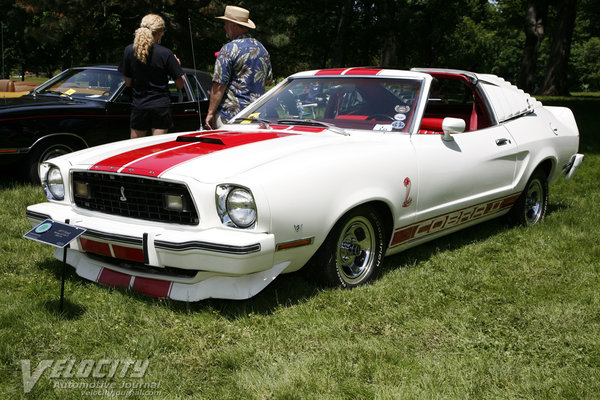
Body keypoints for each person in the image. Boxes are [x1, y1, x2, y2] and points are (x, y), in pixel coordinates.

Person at [205, 6, 272, 129]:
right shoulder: (263, 49)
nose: (224, 27)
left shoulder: (228, 49)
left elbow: (219, 85)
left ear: (233, 26)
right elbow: (268, 80)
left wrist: (210, 113)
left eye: (226, 24)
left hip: (231, 116)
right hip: (257, 115)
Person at [119, 14, 185, 138]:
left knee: (136, 148)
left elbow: (127, 82)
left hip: (139, 105)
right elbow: (180, 84)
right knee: (157, 148)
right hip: (160, 106)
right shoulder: (166, 53)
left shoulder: (129, 51)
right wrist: (177, 66)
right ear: (159, 32)